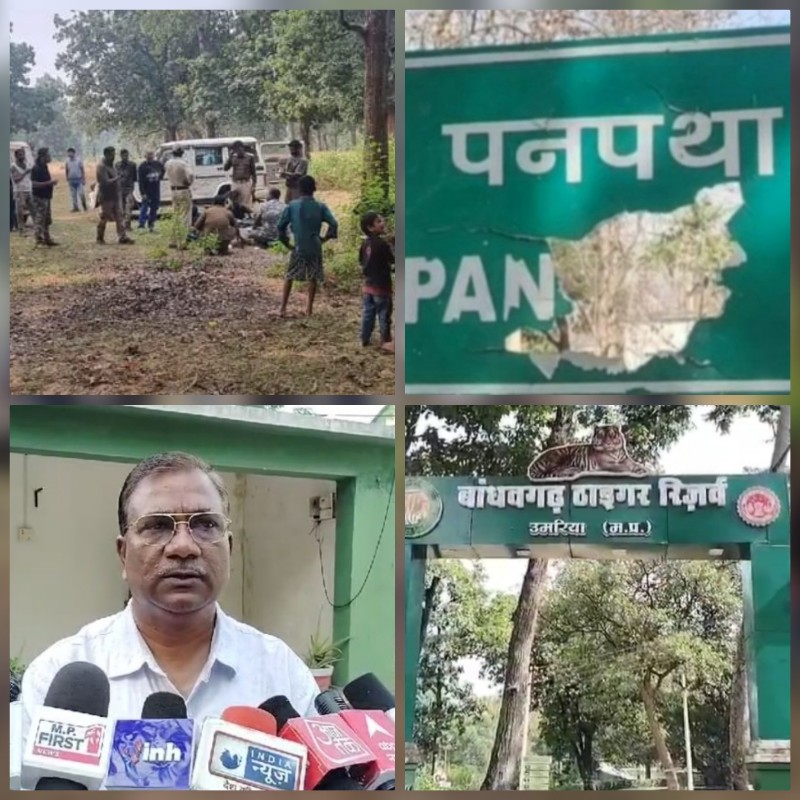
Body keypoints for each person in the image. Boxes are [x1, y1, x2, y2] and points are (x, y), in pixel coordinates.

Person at [19, 452, 320, 789]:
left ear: (229, 549)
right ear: (123, 553)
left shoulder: (281, 673)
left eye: (206, 524)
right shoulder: (58, 676)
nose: (183, 547)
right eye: (158, 526)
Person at [276, 175, 337, 318]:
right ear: (314, 189)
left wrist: (286, 243)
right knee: (313, 277)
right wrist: (325, 238)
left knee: (290, 275)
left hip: (298, 246)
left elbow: (280, 226)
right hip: (315, 245)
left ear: (299, 189)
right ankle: (309, 309)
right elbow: (334, 223)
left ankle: (283, 308)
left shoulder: (292, 206)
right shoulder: (321, 207)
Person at [358, 211, 395, 350]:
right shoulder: (382, 244)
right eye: (378, 221)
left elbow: (362, 261)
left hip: (368, 285)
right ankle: (386, 340)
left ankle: (364, 339)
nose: (382, 223)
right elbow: (393, 259)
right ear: (370, 227)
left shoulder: (365, 243)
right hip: (382, 286)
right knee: (384, 315)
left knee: (368, 314)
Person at [95, 146, 134, 245]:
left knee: (119, 216)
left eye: (114, 154)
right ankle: (100, 237)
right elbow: (105, 182)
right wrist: (118, 177)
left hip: (116, 195)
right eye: (111, 155)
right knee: (105, 216)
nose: (113, 157)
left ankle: (122, 236)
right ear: (106, 155)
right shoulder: (101, 166)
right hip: (106, 196)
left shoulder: (112, 165)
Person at [165, 147, 194, 249]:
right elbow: (190, 174)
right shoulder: (183, 163)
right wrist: (189, 182)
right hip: (183, 189)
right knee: (185, 215)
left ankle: (173, 240)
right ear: (182, 153)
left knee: (175, 214)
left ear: (173, 153)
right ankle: (182, 241)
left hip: (173, 190)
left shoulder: (168, 163)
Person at [29, 147, 59, 246]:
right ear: (43, 156)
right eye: (48, 154)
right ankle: (38, 239)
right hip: (39, 197)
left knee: (46, 219)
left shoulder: (44, 166)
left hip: (46, 196)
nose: (50, 156)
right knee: (40, 218)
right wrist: (48, 183)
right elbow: (33, 184)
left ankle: (47, 238)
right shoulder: (36, 168)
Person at [223, 140, 256, 211]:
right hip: (235, 183)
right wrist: (229, 158)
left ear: (242, 148)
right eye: (236, 150)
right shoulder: (233, 157)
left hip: (245, 183)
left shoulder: (250, 158)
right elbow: (226, 168)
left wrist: (254, 185)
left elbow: (253, 172)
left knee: (245, 204)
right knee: (233, 202)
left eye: (239, 149)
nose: (238, 151)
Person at [137, 151, 164, 232]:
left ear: (153, 155)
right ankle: (141, 225)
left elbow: (163, 171)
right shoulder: (142, 166)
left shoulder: (158, 164)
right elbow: (140, 181)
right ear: (145, 156)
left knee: (154, 207)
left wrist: (160, 177)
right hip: (146, 190)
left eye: (151, 154)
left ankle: (151, 224)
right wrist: (143, 193)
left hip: (155, 190)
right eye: (148, 154)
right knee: (144, 207)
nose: (150, 156)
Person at [10, 147, 34, 237]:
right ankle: (21, 230)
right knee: (20, 211)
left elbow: (30, 177)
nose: (22, 156)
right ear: (16, 156)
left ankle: (38, 229)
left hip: (29, 189)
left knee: (33, 209)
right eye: (20, 154)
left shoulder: (27, 164)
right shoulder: (13, 166)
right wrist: (25, 172)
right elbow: (16, 180)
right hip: (19, 191)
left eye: (23, 154)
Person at [116, 149, 138, 231]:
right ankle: (122, 225)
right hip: (120, 189)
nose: (124, 157)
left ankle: (127, 224)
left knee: (129, 207)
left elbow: (135, 178)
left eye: (126, 155)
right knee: (121, 208)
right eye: (123, 155)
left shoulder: (132, 165)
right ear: (121, 156)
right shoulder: (117, 165)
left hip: (129, 189)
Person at [64, 147, 88, 212]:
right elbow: (66, 169)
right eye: (68, 152)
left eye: (70, 152)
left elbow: (82, 169)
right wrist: (67, 177)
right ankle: (75, 207)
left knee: (81, 194)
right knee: (73, 195)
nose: (69, 154)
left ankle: (84, 206)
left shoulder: (78, 160)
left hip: (79, 179)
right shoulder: (67, 161)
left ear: (73, 153)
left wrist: (83, 179)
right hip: (71, 180)